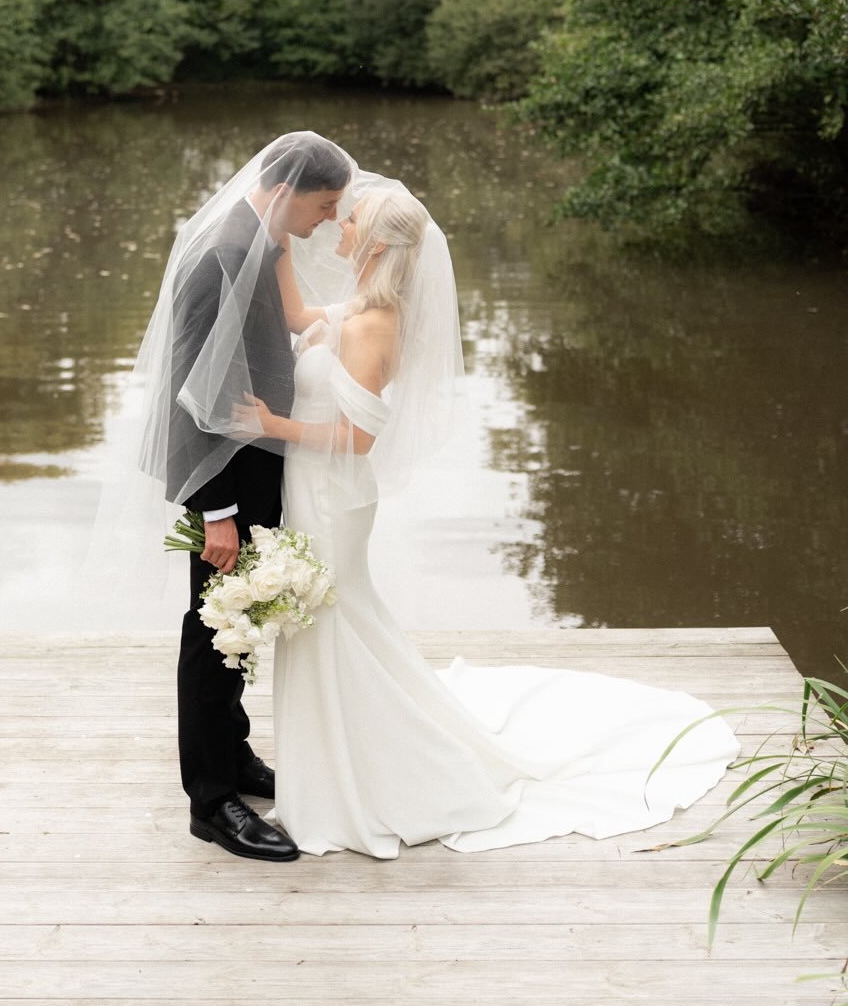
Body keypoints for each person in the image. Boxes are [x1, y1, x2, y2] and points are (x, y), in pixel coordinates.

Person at [233, 183, 740, 858]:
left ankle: (375, 776)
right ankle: (331, 762)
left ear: (377, 242)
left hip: (333, 494)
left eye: (349, 221)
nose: (340, 227)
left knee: (334, 622)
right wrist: (277, 238)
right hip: (314, 488)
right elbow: (298, 315)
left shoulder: (372, 324)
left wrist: (271, 425)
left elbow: (356, 440)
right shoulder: (359, 306)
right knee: (333, 623)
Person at [140, 131, 353, 862]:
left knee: (239, 614)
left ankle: (231, 758)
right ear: (288, 188)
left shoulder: (258, 244)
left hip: (255, 463)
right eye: (324, 205)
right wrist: (216, 513)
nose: (328, 219)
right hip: (220, 479)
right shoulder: (221, 254)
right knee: (210, 630)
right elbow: (195, 395)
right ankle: (211, 802)